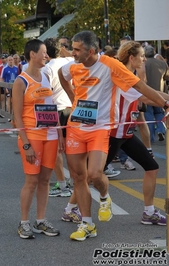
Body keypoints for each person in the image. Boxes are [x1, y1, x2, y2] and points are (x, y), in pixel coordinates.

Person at [58, 31, 168, 242]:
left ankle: (104, 196)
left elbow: (141, 88)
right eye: (72, 48)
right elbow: (62, 76)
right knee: (79, 178)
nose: (73, 53)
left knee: (95, 174)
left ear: (91, 51)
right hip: (75, 128)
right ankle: (87, 223)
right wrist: (73, 99)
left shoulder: (110, 65)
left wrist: (165, 103)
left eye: (77, 49)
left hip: (100, 129)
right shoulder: (73, 66)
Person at [105, 41, 166, 225]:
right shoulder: (122, 76)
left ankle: (149, 212)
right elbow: (147, 97)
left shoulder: (131, 75)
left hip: (127, 134)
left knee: (152, 167)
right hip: (114, 133)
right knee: (91, 175)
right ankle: (72, 208)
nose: (144, 59)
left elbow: (152, 93)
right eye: (141, 56)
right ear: (131, 58)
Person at [12, 39, 64, 239]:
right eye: (43, 52)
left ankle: (40, 220)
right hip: (32, 136)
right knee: (31, 181)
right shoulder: (21, 81)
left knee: (45, 180)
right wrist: (25, 144)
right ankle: (24, 222)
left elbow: (52, 107)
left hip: (50, 135)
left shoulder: (46, 76)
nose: (46, 56)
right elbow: (17, 116)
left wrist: (59, 133)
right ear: (32, 54)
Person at [42, 38, 74, 198]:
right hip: (71, 108)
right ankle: (75, 182)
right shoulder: (70, 61)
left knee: (56, 150)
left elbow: (46, 94)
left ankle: (62, 185)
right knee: (72, 149)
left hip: (56, 110)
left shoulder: (46, 68)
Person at [143, 45, 169, 142]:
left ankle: (150, 138)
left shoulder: (143, 64)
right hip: (160, 92)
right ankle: (161, 130)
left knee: (148, 115)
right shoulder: (162, 64)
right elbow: (167, 76)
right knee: (160, 113)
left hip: (146, 93)